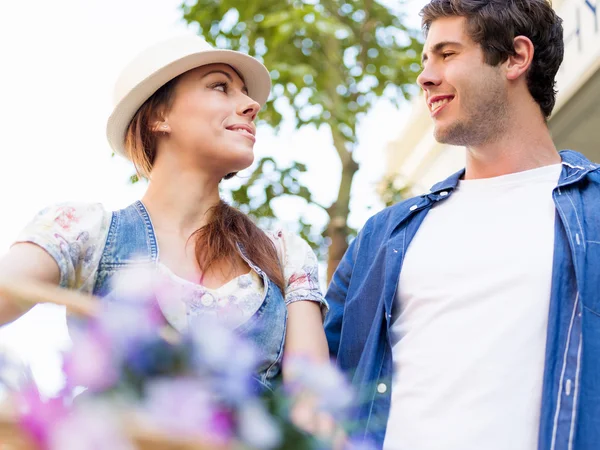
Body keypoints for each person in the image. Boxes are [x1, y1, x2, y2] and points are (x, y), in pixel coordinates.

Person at [324, 1, 600, 449]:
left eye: (447, 54)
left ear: (515, 57)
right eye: (425, 60)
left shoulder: (595, 212)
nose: (425, 76)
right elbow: (310, 381)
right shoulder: (383, 235)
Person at [0, 34, 329, 394]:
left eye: (245, 93)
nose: (252, 104)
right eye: (221, 86)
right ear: (159, 115)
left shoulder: (286, 256)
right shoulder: (83, 231)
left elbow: (313, 408)